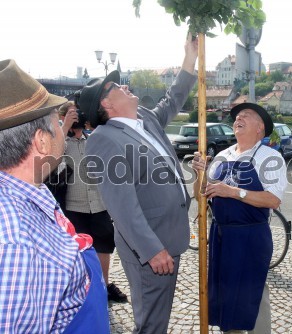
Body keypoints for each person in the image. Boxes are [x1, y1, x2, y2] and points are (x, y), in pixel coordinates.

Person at [78, 33, 198, 334]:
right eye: (116, 86)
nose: (125, 85)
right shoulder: (104, 140)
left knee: (159, 318)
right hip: (151, 249)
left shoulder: (144, 118)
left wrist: (189, 59)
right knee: (151, 326)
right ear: (106, 103)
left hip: (170, 238)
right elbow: (122, 205)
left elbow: (173, 100)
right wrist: (151, 250)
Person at [0, 59, 110, 332]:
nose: (61, 126)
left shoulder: (30, 193)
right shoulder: (17, 244)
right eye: (56, 121)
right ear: (41, 141)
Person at [192, 103, 287, 333]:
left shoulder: (270, 157)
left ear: (260, 127)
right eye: (236, 117)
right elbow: (200, 196)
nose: (238, 119)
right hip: (222, 235)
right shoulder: (222, 155)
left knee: (252, 292)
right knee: (225, 292)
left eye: (246, 115)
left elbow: (273, 200)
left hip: (251, 235)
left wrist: (234, 192)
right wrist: (199, 175)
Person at [59, 101, 127, 303]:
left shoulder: (93, 139)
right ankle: (81, 289)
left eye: (78, 114)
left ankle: (104, 285)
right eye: (72, 114)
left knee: (103, 245)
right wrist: (64, 127)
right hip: (73, 206)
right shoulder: (60, 142)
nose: (76, 118)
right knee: (78, 249)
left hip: (98, 203)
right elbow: (50, 156)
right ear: (63, 118)